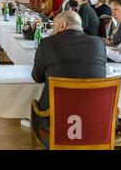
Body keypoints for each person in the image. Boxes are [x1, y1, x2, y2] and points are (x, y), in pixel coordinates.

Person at [31, 11, 107, 149]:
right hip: (96, 118)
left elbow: (37, 77)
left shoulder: (47, 43)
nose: (52, 30)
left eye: (54, 26)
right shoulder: (98, 43)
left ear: (62, 25)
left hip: (54, 119)